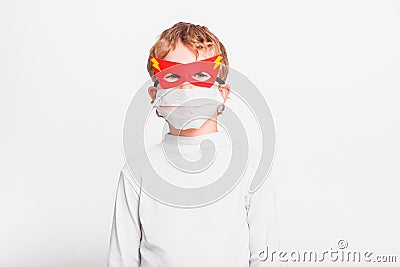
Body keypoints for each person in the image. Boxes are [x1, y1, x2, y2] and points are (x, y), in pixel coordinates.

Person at [107, 22, 280, 267]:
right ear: (155, 96)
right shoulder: (137, 173)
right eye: (172, 76)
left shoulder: (251, 168)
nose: (185, 87)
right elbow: (121, 260)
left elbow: (265, 257)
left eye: (200, 75)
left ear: (223, 93)